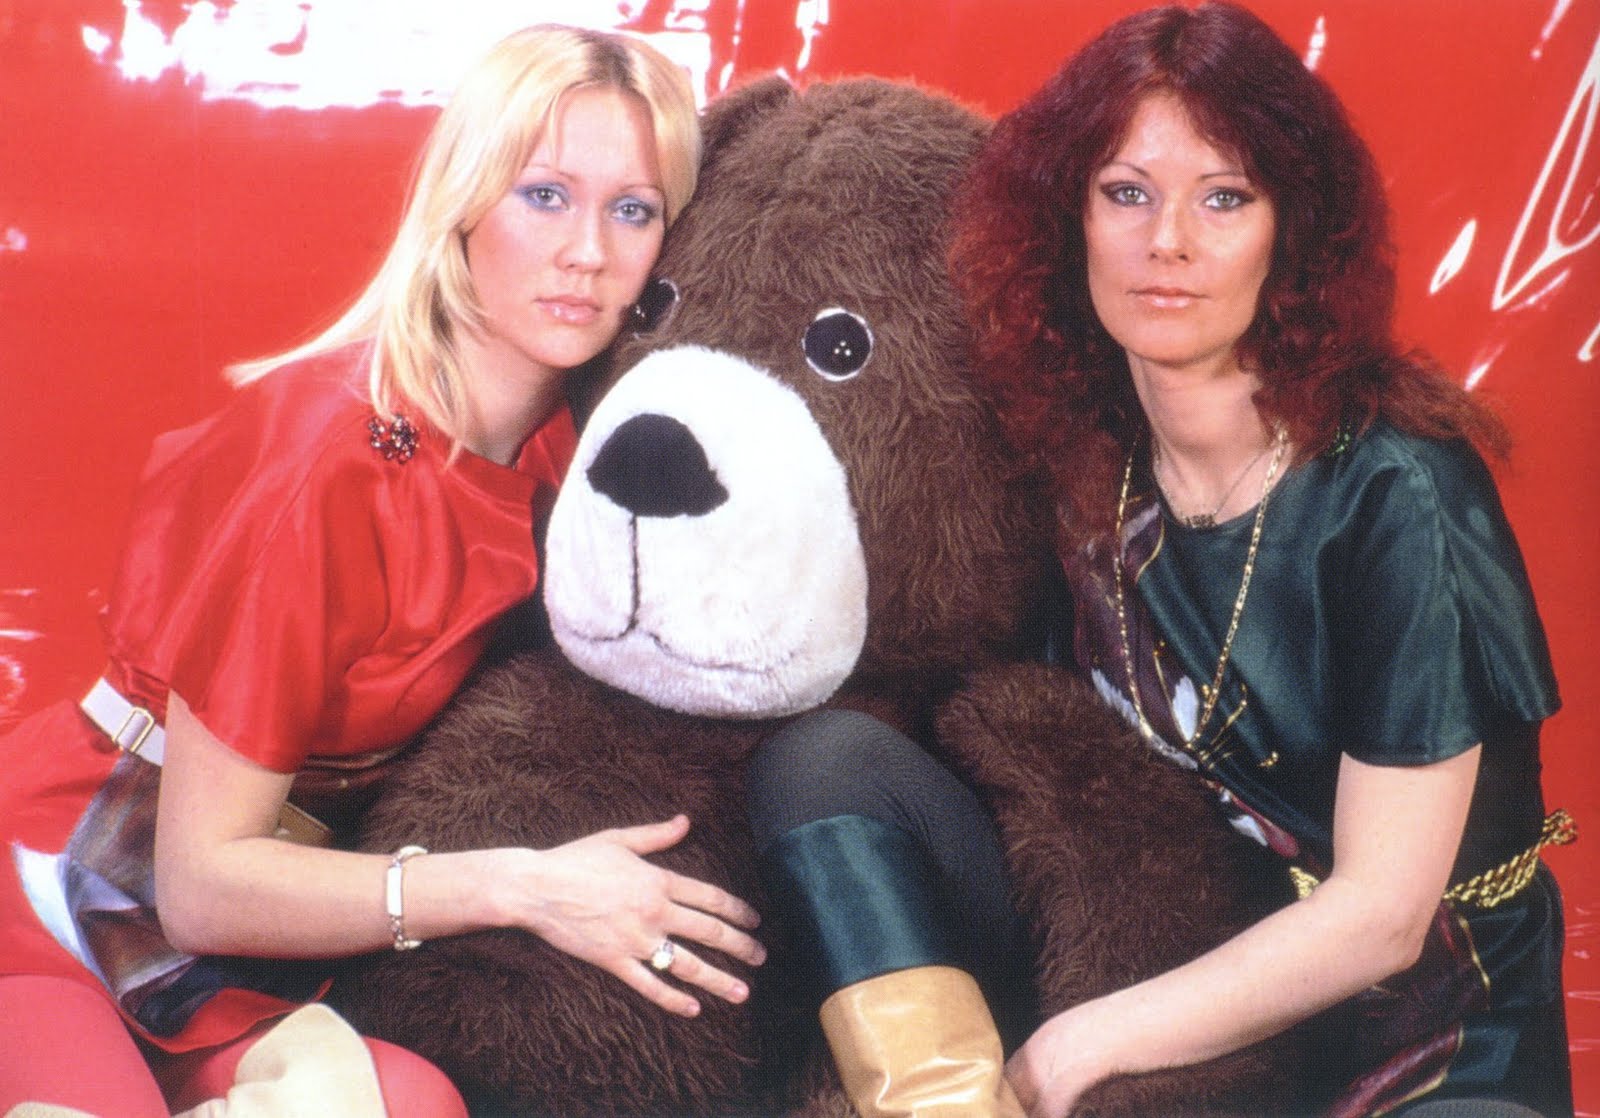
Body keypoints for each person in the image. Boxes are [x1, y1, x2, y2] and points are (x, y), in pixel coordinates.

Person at [747, 4, 1571, 1117]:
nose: (1167, 241)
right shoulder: (1085, 444)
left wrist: (1076, 1045)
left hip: (1413, 1017)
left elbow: (1380, 918)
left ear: (1292, 230)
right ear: (1070, 218)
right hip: (1168, 941)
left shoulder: (1398, 489)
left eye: (1223, 197)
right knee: (830, 763)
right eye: (1126, 192)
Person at [0, 24, 766, 1118]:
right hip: (65, 883)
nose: (588, 252)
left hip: (259, 934)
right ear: (464, 202)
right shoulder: (326, 455)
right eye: (544, 195)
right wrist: (526, 886)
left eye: (633, 210)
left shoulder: (579, 453)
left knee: (413, 1106)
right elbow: (201, 882)